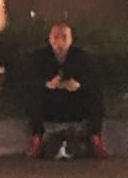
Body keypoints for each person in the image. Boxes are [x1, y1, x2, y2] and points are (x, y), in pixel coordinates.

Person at [27, 19, 105, 159]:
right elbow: (29, 79)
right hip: (50, 103)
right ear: (50, 39)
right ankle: (36, 137)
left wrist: (79, 84)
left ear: (71, 39)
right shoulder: (39, 57)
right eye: (56, 37)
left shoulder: (82, 57)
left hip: (75, 102)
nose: (60, 42)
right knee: (32, 96)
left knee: (97, 96)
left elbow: (93, 79)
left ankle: (95, 136)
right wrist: (47, 84)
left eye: (64, 37)